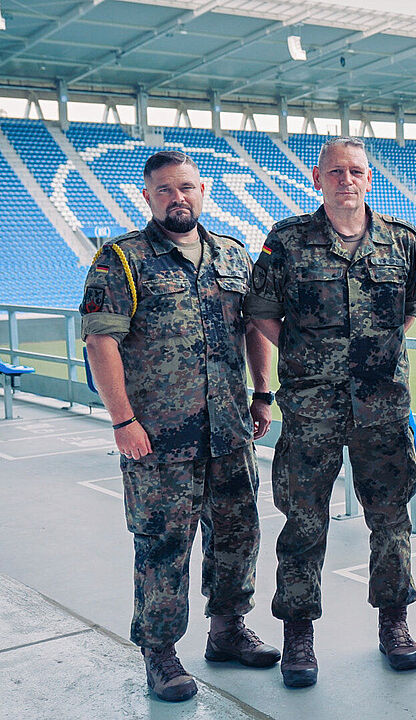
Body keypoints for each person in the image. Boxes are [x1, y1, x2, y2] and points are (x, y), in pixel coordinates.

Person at [80, 150, 279, 702]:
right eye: (165, 189)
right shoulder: (122, 259)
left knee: (237, 537)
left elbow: (255, 329)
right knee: (163, 545)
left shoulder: (233, 255)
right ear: (147, 196)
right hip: (159, 440)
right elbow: (102, 340)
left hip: (230, 433)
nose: (178, 198)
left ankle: (228, 631)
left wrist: (262, 394)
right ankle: (160, 654)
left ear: (202, 190)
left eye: (186, 187)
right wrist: (122, 419)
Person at [245, 137, 416, 687]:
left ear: (370, 179)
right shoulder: (288, 240)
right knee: (303, 523)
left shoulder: (402, 241)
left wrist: (372, 356)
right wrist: (308, 354)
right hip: (311, 408)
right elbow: (263, 312)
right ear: (317, 179)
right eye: (335, 171)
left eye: (357, 171)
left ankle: (394, 622)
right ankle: (298, 632)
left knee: (391, 520)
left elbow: (414, 311)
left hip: (383, 408)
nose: (347, 179)